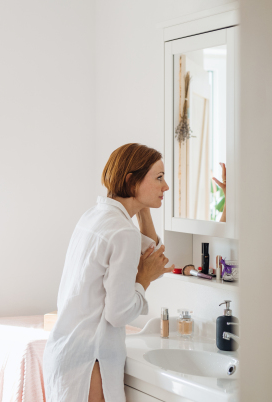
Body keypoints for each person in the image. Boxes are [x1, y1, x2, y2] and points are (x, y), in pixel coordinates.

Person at [43, 143, 174, 402]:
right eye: (159, 178)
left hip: (65, 352)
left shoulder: (96, 216)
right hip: (90, 361)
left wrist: (142, 209)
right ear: (131, 181)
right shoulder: (122, 231)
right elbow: (118, 314)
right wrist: (143, 280)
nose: (165, 186)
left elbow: (151, 256)